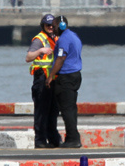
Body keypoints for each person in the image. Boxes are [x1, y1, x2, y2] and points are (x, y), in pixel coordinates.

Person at [25, 14, 61, 149]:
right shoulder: (39, 40)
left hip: (53, 79)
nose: (50, 27)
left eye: (52, 25)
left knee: (53, 110)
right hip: (41, 79)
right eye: (48, 25)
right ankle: (40, 140)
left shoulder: (56, 38)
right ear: (43, 26)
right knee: (41, 111)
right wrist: (41, 50)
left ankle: (53, 139)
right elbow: (28, 57)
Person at [47, 15, 84, 148]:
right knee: (72, 108)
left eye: (55, 26)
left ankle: (73, 139)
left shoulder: (63, 39)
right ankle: (73, 137)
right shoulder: (74, 36)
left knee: (67, 109)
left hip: (66, 77)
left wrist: (51, 75)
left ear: (61, 26)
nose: (53, 28)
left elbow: (60, 59)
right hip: (75, 75)